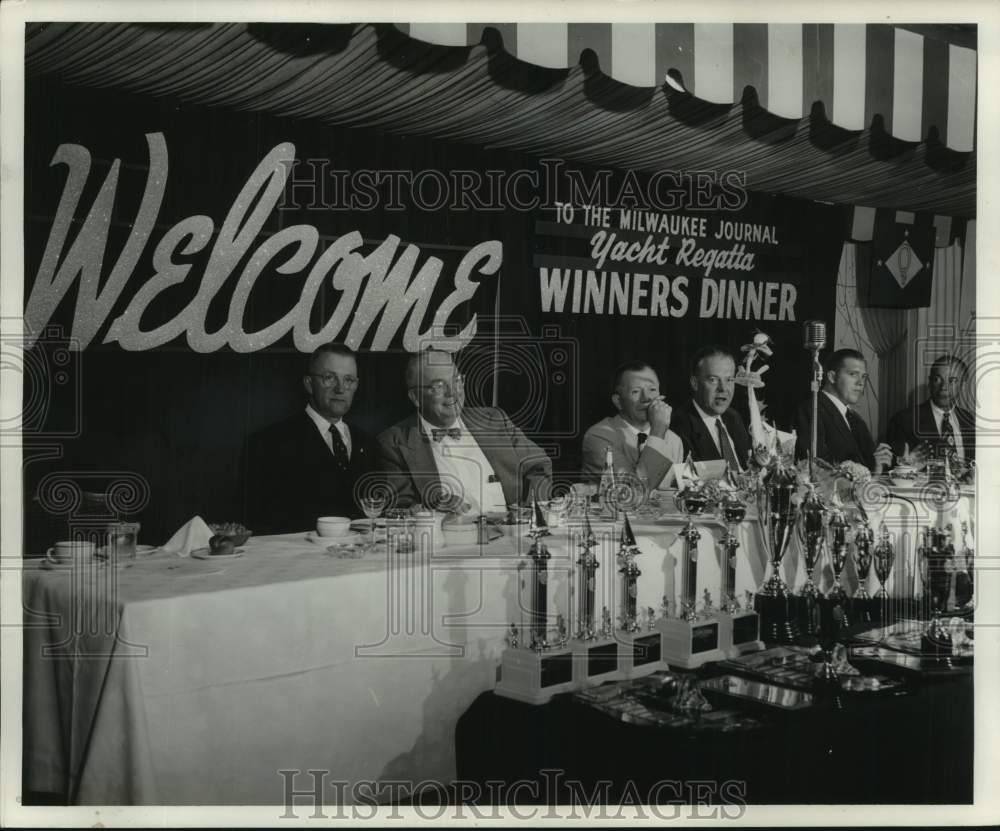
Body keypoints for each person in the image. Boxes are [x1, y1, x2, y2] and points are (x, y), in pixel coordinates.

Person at [377, 349, 551, 512]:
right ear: (416, 398)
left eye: (456, 380)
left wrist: (529, 511)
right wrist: (434, 509)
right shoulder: (394, 442)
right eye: (438, 386)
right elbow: (400, 508)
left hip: (511, 534)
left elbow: (540, 466)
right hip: (451, 541)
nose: (452, 392)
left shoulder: (494, 420)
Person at [241, 343, 377, 533]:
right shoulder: (269, 443)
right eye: (329, 378)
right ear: (309, 383)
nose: (340, 388)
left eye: (348, 380)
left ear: (356, 385)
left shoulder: (370, 444)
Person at [581, 361, 684, 489]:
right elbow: (633, 491)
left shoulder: (674, 441)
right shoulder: (599, 436)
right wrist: (657, 432)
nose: (647, 398)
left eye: (652, 390)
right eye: (636, 391)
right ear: (618, 401)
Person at [794, 348, 893, 472]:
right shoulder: (812, 410)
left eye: (863, 376)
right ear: (832, 377)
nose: (861, 383)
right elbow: (815, 468)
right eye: (853, 374)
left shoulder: (856, 419)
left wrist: (879, 466)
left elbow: (868, 467)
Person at [670, 345, 752, 470]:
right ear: (695, 383)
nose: (723, 388)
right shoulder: (678, 426)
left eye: (729, 380)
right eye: (713, 380)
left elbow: (748, 468)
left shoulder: (733, 417)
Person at [885, 354, 975, 463]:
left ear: (963, 385)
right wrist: (906, 465)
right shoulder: (903, 420)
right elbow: (889, 468)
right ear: (930, 382)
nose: (944, 387)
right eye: (937, 379)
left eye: (952, 381)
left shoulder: (969, 420)